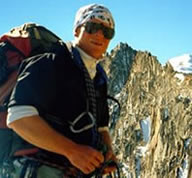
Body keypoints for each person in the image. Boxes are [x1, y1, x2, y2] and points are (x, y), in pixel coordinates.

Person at [5, 3, 117, 178]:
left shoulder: (98, 77)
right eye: (92, 26)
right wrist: (73, 151)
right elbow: (18, 118)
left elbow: (101, 127)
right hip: (37, 170)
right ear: (77, 30)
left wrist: (108, 152)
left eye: (107, 32)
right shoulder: (51, 62)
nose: (99, 34)